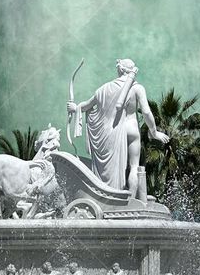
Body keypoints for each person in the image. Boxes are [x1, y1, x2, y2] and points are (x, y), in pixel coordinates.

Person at [68, 59, 169, 195]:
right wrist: (154, 132)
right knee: (134, 167)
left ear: (120, 69)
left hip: (114, 131)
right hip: (132, 128)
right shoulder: (137, 87)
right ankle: (131, 200)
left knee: (115, 167)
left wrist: (75, 108)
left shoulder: (104, 89)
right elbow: (146, 112)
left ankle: (110, 193)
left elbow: (86, 106)